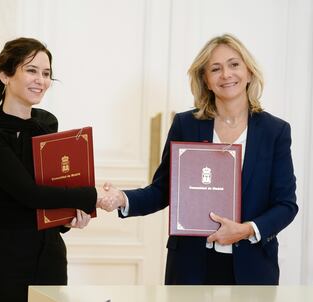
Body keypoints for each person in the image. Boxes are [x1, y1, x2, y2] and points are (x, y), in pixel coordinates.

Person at [97, 34, 298, 285]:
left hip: (252, 266)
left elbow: (286, 205)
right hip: (190, 264)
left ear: (249, 72)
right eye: (215, 68)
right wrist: (122, 199)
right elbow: (163, 190)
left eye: (234, 64)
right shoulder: (186, 125)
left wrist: (245, 230)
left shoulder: (275, 131)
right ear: (206, 80)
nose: (226, 74)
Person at [0, 37, 98, 302]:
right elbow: (28, 193)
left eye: (46, 73)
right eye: (31, 70)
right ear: (5, 75)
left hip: (48, 254)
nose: (41, 80)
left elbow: (52, 184)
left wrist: (68, 220)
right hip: (1, 255)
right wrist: (92, 197)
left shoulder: (47, 122)